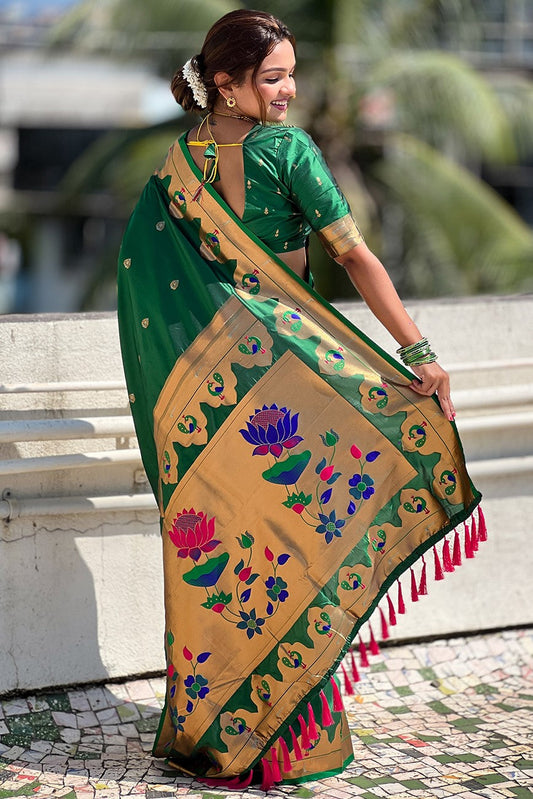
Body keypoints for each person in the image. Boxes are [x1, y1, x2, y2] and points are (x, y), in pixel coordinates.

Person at [117, 9, 483, 790]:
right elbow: (351, 255)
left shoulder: (178, 164)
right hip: (285, 384)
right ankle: (291, 743)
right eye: (272, 76)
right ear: (226, 83)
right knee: (294, 547)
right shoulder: (286, 151)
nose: (289, 90)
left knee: (223, 552)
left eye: (291, 74)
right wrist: (417, 353)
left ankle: (213, 737)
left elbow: (153, 288)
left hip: (206, 401)